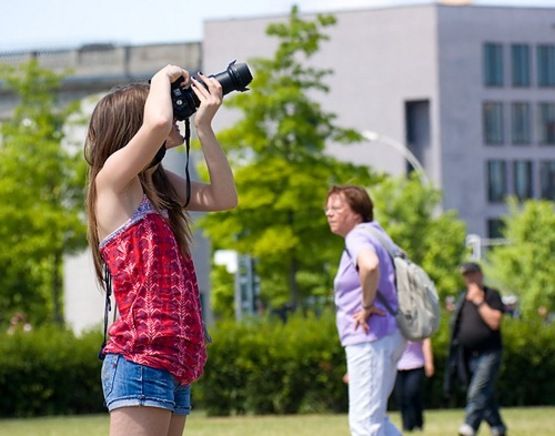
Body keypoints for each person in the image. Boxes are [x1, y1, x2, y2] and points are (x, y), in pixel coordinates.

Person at [84, 65, 237, 436]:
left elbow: (224, 197)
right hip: (141, 356)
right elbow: (155, 125)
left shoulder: (157, 187)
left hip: (175, 355)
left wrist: (204, 128)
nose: (171, 114)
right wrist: (161, 78)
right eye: (166, 105)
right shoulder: (112, 182)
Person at [325, 185, 406, 436]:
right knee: (377, 420)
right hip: (388, 334)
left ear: (357, 214)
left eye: (336, 208)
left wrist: (367, 305)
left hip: (370, 336)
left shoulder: (357, 236)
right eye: (327, 209)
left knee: (364, 424)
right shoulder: (377, 234)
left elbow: (369, 266)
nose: (329, 213)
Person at [444, 262, 507, 436]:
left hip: (489, 353)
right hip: (467, 355)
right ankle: (498, 427)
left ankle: (469, 426)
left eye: (472, 274)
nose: (469, 279)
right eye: (466, 275)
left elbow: (495, 322)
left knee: (477, 391)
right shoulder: (463, 298)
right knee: (485, 394)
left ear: (480, 274)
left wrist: (479, 301)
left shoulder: (491, 295)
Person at [393, 338, 434, 432]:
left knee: (412, 393)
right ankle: (407, 426)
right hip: (398, 366)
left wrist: (429, 363)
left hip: (416, 365)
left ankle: (418, 423)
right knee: (400, 397)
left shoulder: (418, 325)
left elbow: (426, 341)